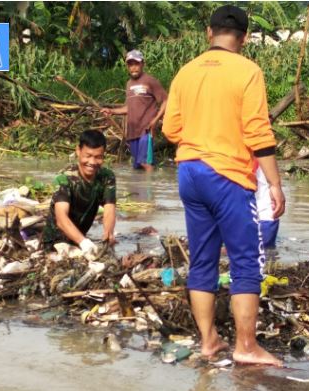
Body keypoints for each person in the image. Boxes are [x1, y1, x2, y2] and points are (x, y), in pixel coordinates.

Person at [162, 5, 285, 366]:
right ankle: (246, 347)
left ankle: (209, 342)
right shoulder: (248, 71)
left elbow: (170, 130)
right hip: (228, 175)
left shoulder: (185, 72)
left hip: (189, 173)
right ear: (244, 38)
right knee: (246, 261)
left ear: (208, 32)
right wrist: (275, 185)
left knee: (202, 260)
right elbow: (258, 132)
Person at [43, 130, 117, 260]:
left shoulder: (107, 177)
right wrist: (84, 242)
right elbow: (61, 219)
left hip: (79, 239)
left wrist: (108, 232)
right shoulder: (65, 178)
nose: (92, 162)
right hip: (55, 243)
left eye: (98, 157)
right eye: (88, 156)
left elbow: (109, 208)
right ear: (78, 151)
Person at [101, 50, 168, 172]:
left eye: (136, 63)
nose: (133, 67)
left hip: (146, 130)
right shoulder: (129, 84)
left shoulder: (150, 81)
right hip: (132, 132)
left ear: (142, 64)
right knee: (137, 166)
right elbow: (129, 107)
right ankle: (138, 190)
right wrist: (111, 111)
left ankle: (150, 189)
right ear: (127, 66)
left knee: (145, 163)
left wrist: (156, 119)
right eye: (130, 64)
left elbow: (165, 100)